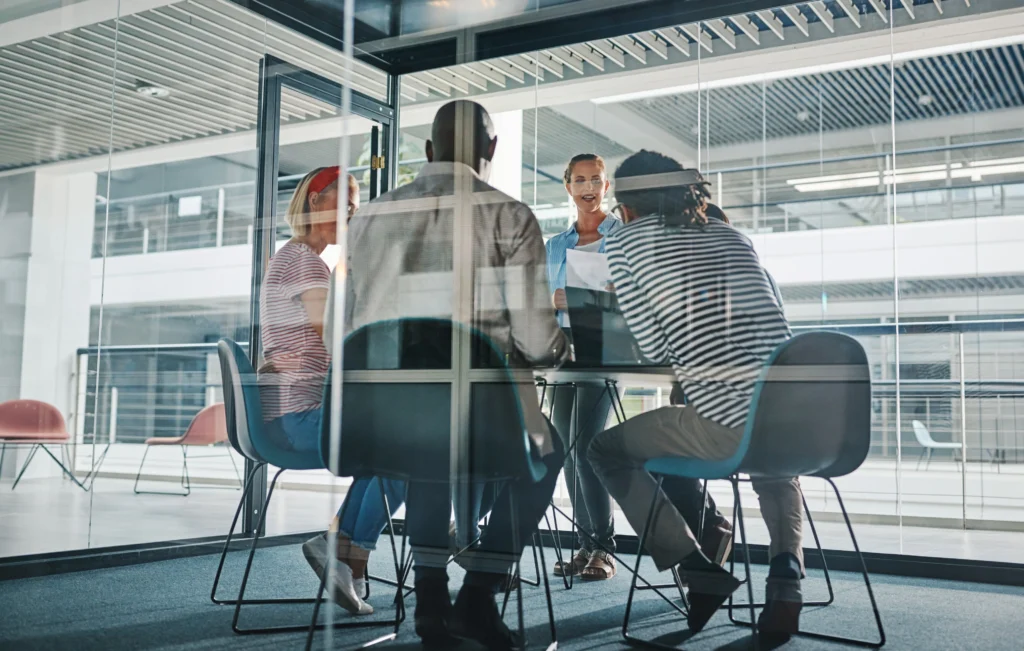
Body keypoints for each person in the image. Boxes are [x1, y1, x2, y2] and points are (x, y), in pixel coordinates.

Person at [346, 99, 569, 650]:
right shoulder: (510, 215)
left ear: (427, 151)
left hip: (384, 415)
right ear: (491, 150)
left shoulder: (369, 217)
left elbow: (355, 324)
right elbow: (538, 344)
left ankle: (428, 601)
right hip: (478, 416)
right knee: (546, 454)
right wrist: (563, 345)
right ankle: (479, 593)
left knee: (427, 458)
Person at [587, 151, 803, 638]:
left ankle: (696, 568)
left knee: (604, 451)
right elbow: (778, 333)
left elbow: (653, 345)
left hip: (721, 427)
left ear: (625, 201)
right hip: (792, 418)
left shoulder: (624, 242)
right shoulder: (732, 236)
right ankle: (786, 579)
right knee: (773, 457)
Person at [257, 168, 404, 617]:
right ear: (316, 201)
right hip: (298, 417)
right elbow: (334, 339)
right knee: (407, 449)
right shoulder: (303, 259)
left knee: (392, 451)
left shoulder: (303, 258)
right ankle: (348, 556)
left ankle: (342, 555)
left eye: (356, 205)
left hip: (296, 410)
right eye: (345, 200)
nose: (353, 212)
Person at [543, 153, 621, 580]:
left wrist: (575, 299)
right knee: (567, 450)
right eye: (580, 180)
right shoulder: (555, 245)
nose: (588, 187)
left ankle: (603, 549)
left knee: (587, 445)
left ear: (606, 186)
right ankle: (585, 545)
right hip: (562, 350)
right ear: (568, 186)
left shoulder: (622, 236)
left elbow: (627, 300)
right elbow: (542, 299)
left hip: (606, 349)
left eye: (596, 179)